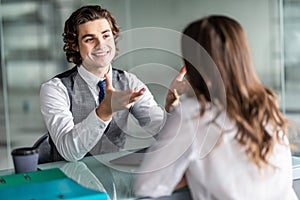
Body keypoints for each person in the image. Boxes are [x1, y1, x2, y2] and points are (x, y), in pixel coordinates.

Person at [134, 15, 297, 199]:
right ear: (243, 57)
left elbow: (147, 186)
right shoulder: (266, 104)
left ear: (191, 63)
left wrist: (187, 170)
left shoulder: (193, 113)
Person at [39, 5, 167, 162]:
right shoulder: (55, 89)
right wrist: (104, 111)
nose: (101, 44)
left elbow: (163, 132)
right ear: (75, 46)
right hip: (66, 180)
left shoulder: (129, 81)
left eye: (106, 36)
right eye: (89, 39)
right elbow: (69, 152)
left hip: (111, 178)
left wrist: (176, 110)